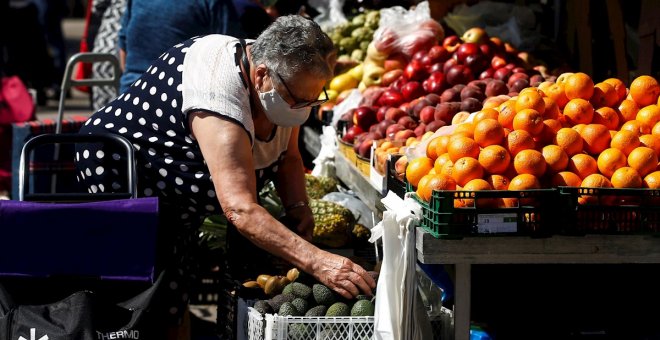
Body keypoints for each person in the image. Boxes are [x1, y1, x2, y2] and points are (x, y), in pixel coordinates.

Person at [75, 15, 376, 339]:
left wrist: (298, 207)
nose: (303, 110)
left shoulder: (282, 87)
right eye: (298, 100)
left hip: (178, 198)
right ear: (261, 75)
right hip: (125, 176)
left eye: (313, 99)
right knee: (137, 301)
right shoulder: (218, 95)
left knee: (175, 289)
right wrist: (317, 261)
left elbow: (288, 156)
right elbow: (239, 208)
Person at [117, 0, 253, 93]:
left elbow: (123, 49)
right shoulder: (214, 3)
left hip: (130, 95)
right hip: (182, 102)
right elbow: (234, 55)